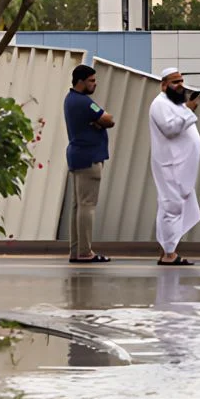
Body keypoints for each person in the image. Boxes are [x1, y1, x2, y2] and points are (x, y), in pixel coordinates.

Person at [149, 67, 200, 266]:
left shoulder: (175, 103)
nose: (180, 85)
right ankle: (169, 254)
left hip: (179, 166)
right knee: (171, 207)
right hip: (169, 164)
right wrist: (189, 110)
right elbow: (170, 129)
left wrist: (186, 109)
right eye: (174, 82)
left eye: (181, 81)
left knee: (173, 206)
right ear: (164, 85)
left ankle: (167, 251)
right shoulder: (159, 104)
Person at [64, 64, 114, 263]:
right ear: (81, 82)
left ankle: (76, 250)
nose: (95, 84)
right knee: (87, 206)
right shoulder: (85, 102)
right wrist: (99, 122)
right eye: (92, 80)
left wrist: (97, 122)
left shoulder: (70, 100)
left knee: (78, 206)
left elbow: (101, 120)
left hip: (76, 156)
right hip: (89, 157)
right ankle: (85, 252)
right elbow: (109, 120)